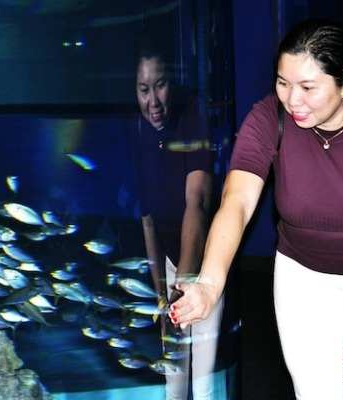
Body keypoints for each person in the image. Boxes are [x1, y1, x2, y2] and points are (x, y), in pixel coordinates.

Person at [169, 18, 343, 400]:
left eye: (307, 87)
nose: (292, 100)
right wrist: (209, 284)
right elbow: (237, 202)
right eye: (282, 82)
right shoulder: (269, 118)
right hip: (304, 280)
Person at [129, 31, 224, 400]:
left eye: (160, 86)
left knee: (203, 385)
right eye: (143, 90)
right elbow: (147, 220)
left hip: (204, 265)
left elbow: (196, 204)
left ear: (173, 80)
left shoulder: (193, 113)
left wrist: (179, 294)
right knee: (174, 385)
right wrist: (160, 299)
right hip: (170, 266)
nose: (153, 102)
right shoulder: (137, 130)